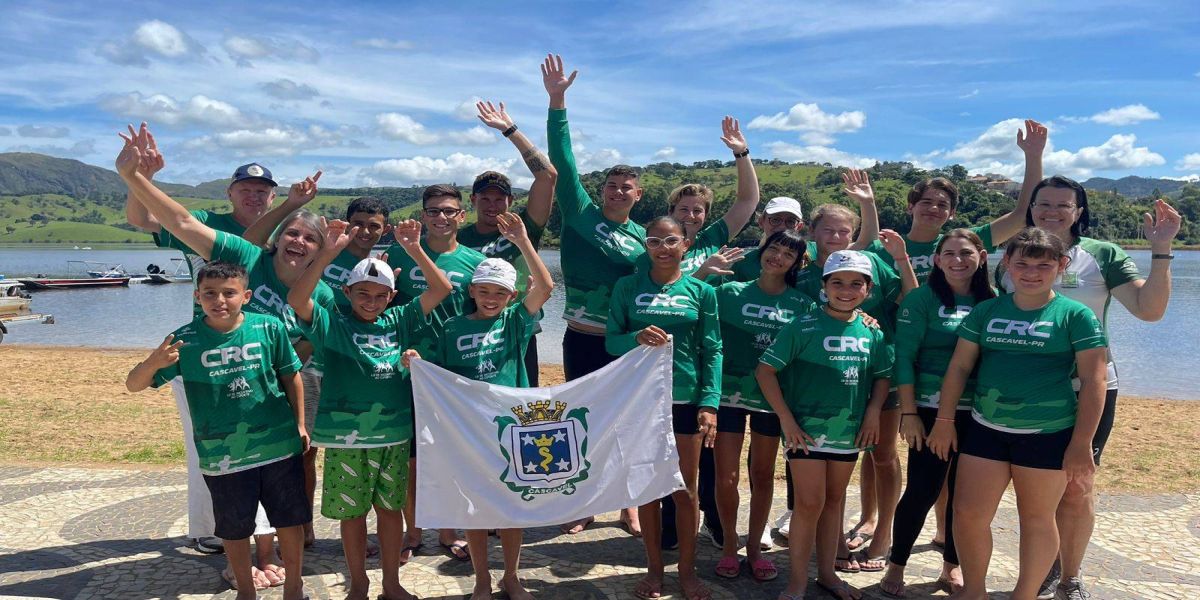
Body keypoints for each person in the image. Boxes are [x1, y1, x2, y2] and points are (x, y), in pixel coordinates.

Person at [119, 127, 332, 590]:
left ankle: (273, 555)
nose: (298, 241)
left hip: (279, 387)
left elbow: (316, 341)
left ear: (320, 250)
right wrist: (133, 177)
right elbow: (179, 223)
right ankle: (242, 556)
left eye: (309, 239)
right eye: (291, 233)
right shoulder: (245, 256)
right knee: (232, 467)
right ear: (276, 239)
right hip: (225, 382)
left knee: (280, 471)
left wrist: (284, 368)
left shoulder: (324, 291)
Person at [852, 123, 1041, 557]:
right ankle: (877, 526)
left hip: (952, 383)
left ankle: (942, 534)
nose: (933, 209)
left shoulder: (960, 246)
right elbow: (858, 277)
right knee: (881, 453)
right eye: (926, 202)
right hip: (896, 364)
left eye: (942, 204)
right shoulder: (884, 249)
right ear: (911, 205)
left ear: (951, 214)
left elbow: (1021, 216)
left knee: (945, 465)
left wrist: (1032, 158)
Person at [996, 177, 1180, 600]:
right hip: (1024, 392)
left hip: (1089, 389)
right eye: (1044, 203)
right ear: (1032, 208)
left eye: (1065, 204)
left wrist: (1161, 250)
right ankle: (1043, 569)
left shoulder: (1101, 255)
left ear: (1079, 211)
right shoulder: (1014, 258)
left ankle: (1069, 578)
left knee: (1078, 485)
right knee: (1037, 490)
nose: (1053, 211)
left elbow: (1149, 310)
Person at [927, 227, 1108, 600]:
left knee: (1037, 519)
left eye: (1043, 264)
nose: (1031, 272)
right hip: (985, 428)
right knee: (968, 515)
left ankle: (1023, 595)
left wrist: (1081, 444)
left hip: (1049, 433)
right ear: (1006, 263)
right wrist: (944, 421)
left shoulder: (1076, 315)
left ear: (1061, 266)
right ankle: (973, 591)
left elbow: (1094, 381)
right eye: (1022, 262)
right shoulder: (987, 310)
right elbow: (959, 368)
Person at [125, 262, 309, 600]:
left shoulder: (269, 328)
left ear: (246, 296)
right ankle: (246, 590)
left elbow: (290, 376)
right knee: (233, 527)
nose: (219, 300)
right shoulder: (186, 340)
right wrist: (153, 362)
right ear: (197, 297)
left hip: (278, 444)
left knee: (288, 519)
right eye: (210, 293)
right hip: (222, 455)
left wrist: (299, 423)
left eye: (229, 292)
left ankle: (294, 587)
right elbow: (134, 384)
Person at [289, 218, 448, 600]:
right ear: (346, 292)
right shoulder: (333, 326)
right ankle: (359, 582)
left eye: (380, 295)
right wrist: (327, 252)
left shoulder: (400, 319)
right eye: (362, 294)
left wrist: (414, 249)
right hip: (347, 441)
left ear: (391, 297)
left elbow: (441, 288)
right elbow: (297, 298)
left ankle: (391, 582)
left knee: (391, 512)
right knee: (352, 514)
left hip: (393, 436)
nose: (371, 302)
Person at [412, 212, 554, 600]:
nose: (491, 299)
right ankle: (481, 581)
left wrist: (524, 241)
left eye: (500, 293)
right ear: (472, 291)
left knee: (511, 506)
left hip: (511, 428)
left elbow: (545, 286)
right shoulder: (452, 328)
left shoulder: (514, 321)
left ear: (511, 297)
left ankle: (511, 576)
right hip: (468, 432)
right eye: (485, 291)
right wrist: (416, 364)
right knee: (474, 507)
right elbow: (437, 377)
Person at [544, 52, 649, 535]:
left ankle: (627, 502)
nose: (617, 191)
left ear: (637, 195)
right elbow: (562, 162)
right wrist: (557, 104)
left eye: (626, 187)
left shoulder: (646, 238)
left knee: (625, 420)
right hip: (581, 336)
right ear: (601, 189)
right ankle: (582, 500)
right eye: (611, 184)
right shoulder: (580, 214)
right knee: (578, 419)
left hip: (625, 342)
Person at [756, 249, 893, 600]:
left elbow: (881, 377)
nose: (846, 290)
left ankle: (828, 574)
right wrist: (787, 421)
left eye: (855, 284)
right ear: (824, 286)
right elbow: (765, 371)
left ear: (868, 289)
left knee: (834, 502)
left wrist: (874, 412)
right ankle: (798, 581)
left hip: (847, 434)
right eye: (838, 283)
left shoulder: (872, 332)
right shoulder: (803, 325)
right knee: (809, 504)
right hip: (804, 431)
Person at [796, 202, 916, 573]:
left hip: (879, 372)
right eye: (827, 231)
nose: (835, 238)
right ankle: (833, 543)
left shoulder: (874, 266)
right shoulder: (801, 277)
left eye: (843, 232)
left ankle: (882, 534)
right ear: (812, 233)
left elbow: (911, 300)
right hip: (826, 384)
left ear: (853, 236)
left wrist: (903, 260)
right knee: (834, 461)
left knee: (882, 455)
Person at [606, 216, 722, 600]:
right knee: (647, 489)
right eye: (654, 241)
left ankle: (686, 573)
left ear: (685, 245)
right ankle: (654, 571)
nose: (662, 248)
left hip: (685, 399)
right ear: (646, 246)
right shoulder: (627, 286)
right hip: (638, 401)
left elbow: (714, 350)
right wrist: (633, 338)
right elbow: (610, 343)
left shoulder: (702, 292)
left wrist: (709, 402)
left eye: (671, 241)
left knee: (685, 491)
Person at [880, 229, 997, 597]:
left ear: (981, 256)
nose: (957, 260)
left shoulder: (993, 300)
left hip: (978, 414)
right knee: (922, 489)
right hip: (930, 411)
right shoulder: (922, 299)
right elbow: (904, 359)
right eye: (948, 253)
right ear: (936, 259)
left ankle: (951, 566)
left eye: (965, 253)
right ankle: (896, 565)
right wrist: (909, 413)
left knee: (964, 497)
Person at [385, 183, 486, 562]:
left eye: (449, 211)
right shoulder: (399, 252)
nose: (441, 217)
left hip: (456, 372)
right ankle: (414, 530)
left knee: (451, 452)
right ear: (423, 215)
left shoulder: (475, 262)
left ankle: (448, 529)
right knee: (412, 456)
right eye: (433, 211)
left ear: (462, 216)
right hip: (408, 367)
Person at [712, 230, 816, 582]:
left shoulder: (802, 305)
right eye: (774, 248)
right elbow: (685, 305)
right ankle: (729, 543)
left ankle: (755, 546)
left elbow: (830, 326)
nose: (778, 257)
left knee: (761, 474)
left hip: (771, 401)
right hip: (727, 396)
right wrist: (701, 272)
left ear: (796, 263)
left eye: (788, 254)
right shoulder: (728, 293)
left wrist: (865, 319)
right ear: (762, 251)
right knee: (725, 476)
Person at [457, 99, 557, 387]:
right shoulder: (459, 238)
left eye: (499, 198)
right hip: (472, 331)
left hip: (519, 329)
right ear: (473, 200)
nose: (492, 204)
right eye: (484, 198)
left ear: (510, 201)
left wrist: (509, 130)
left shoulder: (524, 228)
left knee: (522, 406)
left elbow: (548, 175)